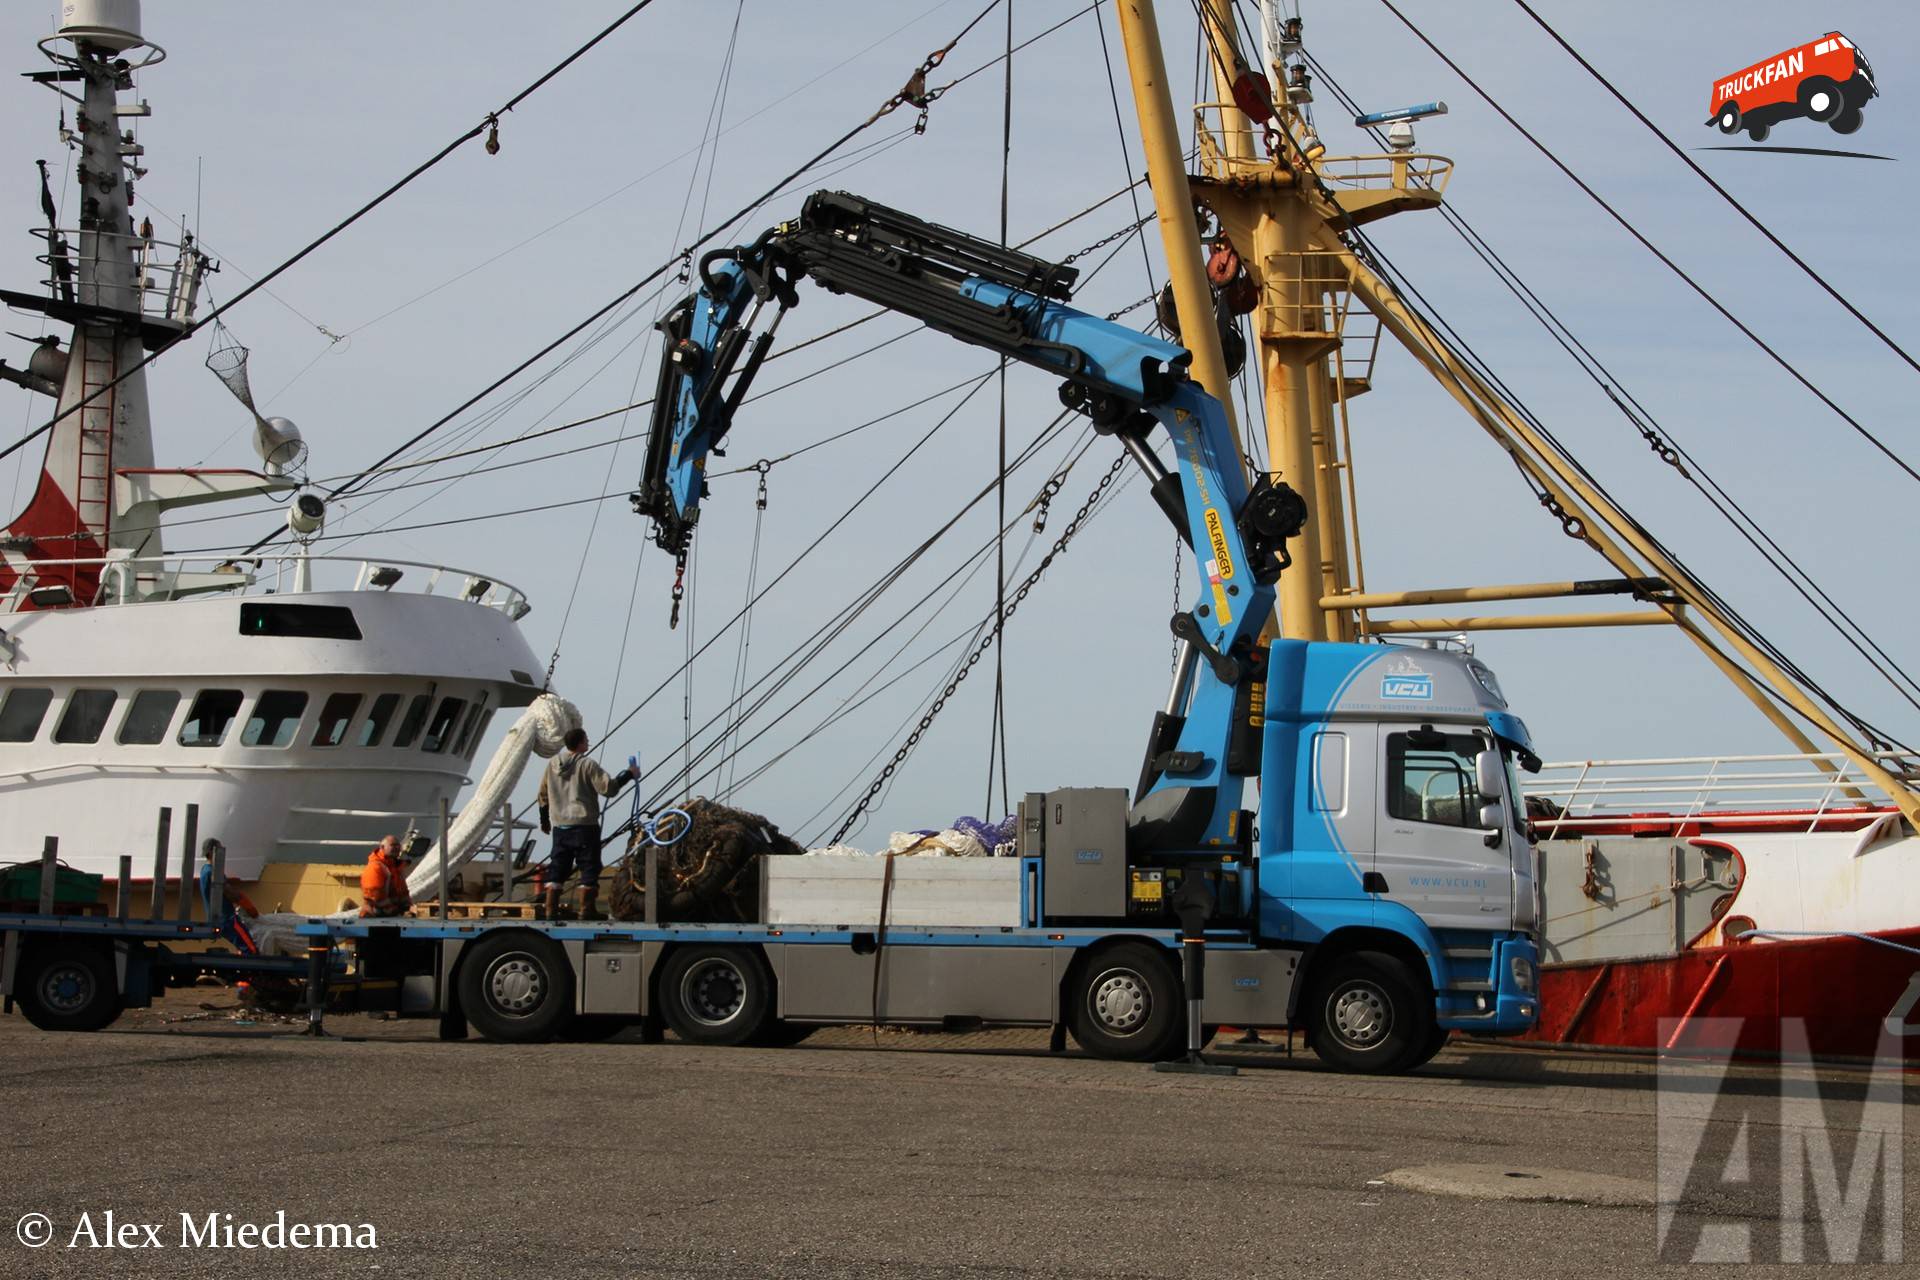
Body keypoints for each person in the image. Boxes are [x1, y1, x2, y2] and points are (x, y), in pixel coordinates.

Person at [537, 727, 637, 921]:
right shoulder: (587, 764)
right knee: (589, 866)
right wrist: (629, 774)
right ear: (580, 743)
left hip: (560, 826)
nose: (588, 742)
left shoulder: (552, 764)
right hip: (584, 826)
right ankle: (586, 910)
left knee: (558, 867)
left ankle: (550, 910)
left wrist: (544, 820)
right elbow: (608, 789)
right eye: (586, 739)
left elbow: (542, 795)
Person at [358, 834, 413, 918]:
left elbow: (403, 893)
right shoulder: (375, 867)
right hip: (375, 917)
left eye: (398, 845)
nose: (396, 848)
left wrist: (408, 907)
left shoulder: (396, 868)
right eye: (392, 845)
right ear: (382, 847)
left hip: (391, 916)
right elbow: (374, 897)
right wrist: (394, 910)